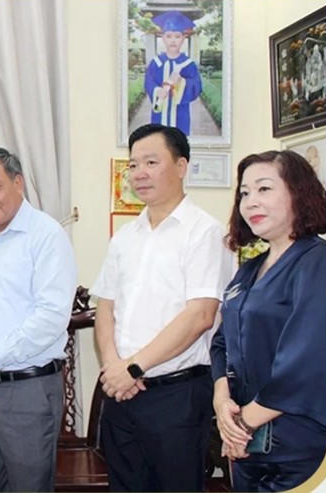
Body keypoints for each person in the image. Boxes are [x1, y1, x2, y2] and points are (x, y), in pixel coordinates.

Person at [91, 124, 234, 492]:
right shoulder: (125, 237)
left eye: (151, 162)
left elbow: (200, 315)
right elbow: (105, 307)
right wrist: (113, 368)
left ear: (182, 166)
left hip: (177, 397)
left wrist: (133, 367)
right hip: (121, 395)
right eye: (133, 164)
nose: (139, 173)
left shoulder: (204, 233)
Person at [0, 147, 77, 492]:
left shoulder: (47, 236)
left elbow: (52, 317)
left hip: (29, 389)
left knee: (29, 487)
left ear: (18, 183)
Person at [211, 150, 326, 492]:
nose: (250, 202)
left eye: (264, 189)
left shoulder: (318, 263)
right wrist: (221, 401)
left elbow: (307, 361)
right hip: (246, 446)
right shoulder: (249, 270)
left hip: (298, 448)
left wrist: (243, 424)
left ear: (298, 192)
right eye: (244, 193)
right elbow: (222, 343)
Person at [145, 10, 203, 135]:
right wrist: (158, 91)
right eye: (169, 36)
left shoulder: (188, 65)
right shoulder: (156, 63)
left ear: (183, 38)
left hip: (180, 115)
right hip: (159, 116)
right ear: (163, 38)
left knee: (178, 143)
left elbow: (196, 86)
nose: (173, 40)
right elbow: (149, 83)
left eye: (177, 36)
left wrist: (182, 82)